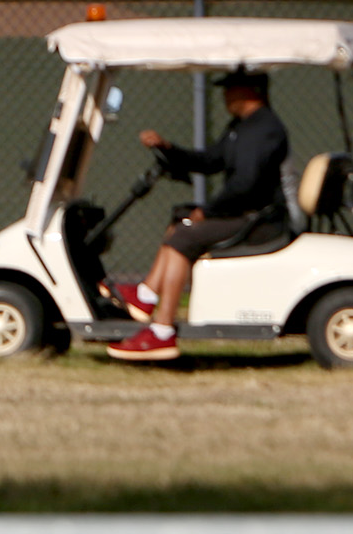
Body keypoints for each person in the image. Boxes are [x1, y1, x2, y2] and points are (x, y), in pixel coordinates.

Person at [105, 68, 288, 362]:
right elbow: (210, 160)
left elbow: (246, 185)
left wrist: (209, 211)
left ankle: (162, 332)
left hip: (260, 220)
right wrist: (169, 149)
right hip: (244, 213)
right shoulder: (240, 126)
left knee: (185, 234)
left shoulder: (265, 129)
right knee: (181, 218)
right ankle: (146, 295)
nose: (225, 94)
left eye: (231, 88)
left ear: (250, 91)